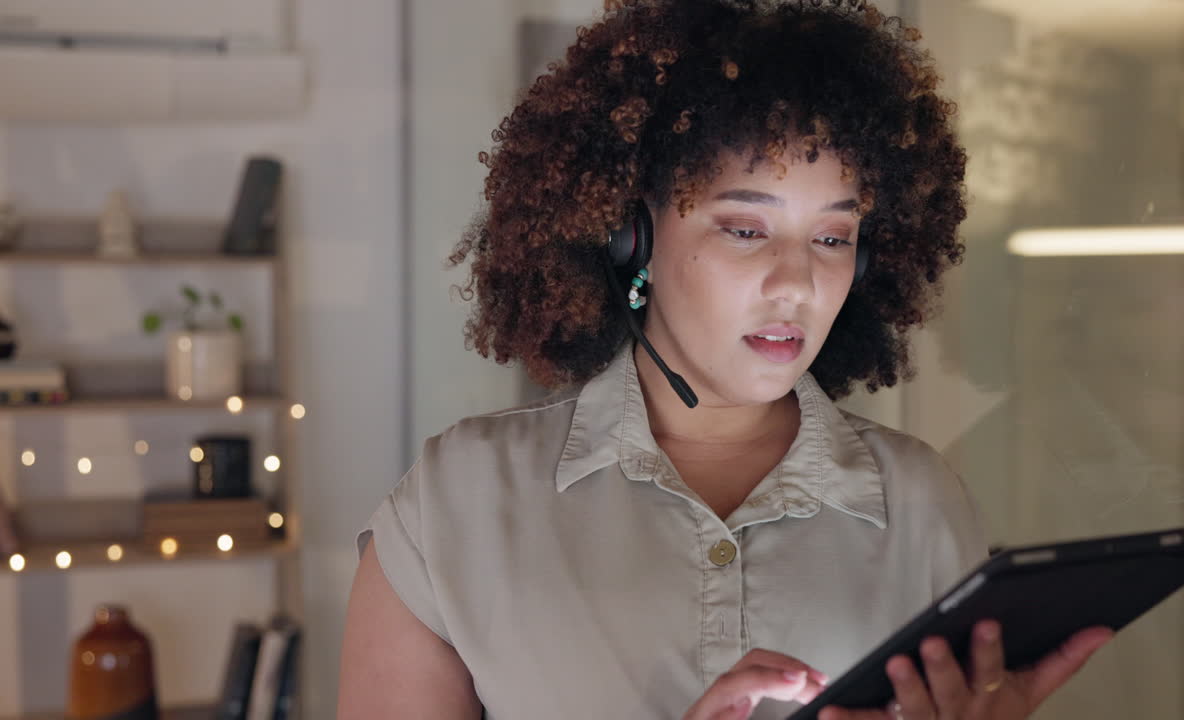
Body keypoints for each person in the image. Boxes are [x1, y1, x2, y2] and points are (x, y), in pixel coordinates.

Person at [336, 1, 1112, 718]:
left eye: (833, 237)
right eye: (745, 229)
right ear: (630, 239)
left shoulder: (923, 506)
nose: (798, 282)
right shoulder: (456, 505)